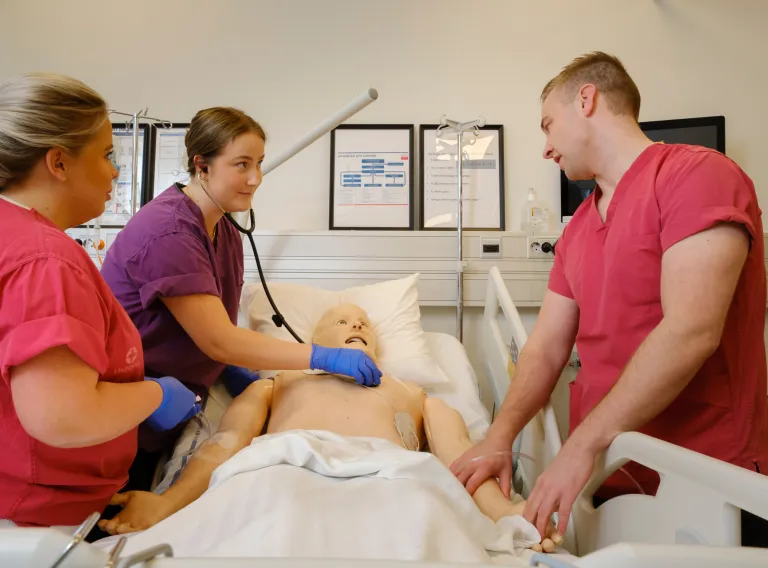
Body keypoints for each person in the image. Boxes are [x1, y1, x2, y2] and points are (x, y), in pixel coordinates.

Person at [451, 51, 768, 547]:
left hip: (710, 478)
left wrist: (581, 446)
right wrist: (500, 436)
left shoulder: (698, 176)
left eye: (547, 125)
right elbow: (546, 348)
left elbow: (691, 330)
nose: (545, 148)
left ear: (587, 99)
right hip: (611, 482)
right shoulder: (577, 231)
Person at [98, 303, 560, 553]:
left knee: (419, 513)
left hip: (394, 481)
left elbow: (464, 463)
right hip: (282, 472)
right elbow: (224, 445)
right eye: (342, 320)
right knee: (273, 515)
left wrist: (508, 519)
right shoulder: (280, 382)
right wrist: (165, 503)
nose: (357, 324)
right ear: (316, 341)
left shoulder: (415, 395)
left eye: (364, 323)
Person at [100, 108, 383, 492]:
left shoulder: (224, 227)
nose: (256, 179)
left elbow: (214, 326)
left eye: (260, 164)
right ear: (202, 166)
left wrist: (226, 368)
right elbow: (218, 339)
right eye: (242, 165)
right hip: (130, 403)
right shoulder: (167, 232)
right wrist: (323, 356)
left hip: (177, 405)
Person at [0, 73, 199, 528]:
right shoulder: (46, 261)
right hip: (43, 517)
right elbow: (61, 416)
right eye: (107, 154)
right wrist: (153, 394)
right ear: (59, 163)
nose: (115, 171)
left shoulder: (15, 235)